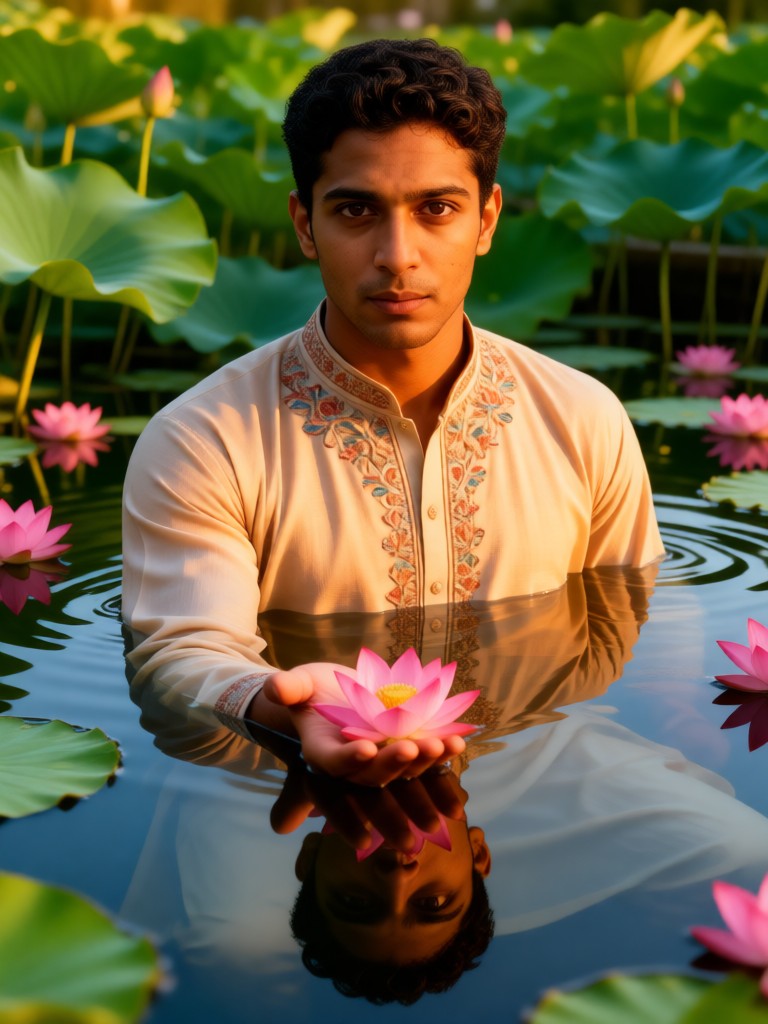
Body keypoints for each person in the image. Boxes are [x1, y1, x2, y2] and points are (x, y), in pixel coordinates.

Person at [122, 38, 664, 785]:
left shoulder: (583, 416)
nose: (397, 254)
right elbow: (182, 651)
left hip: (545, 766)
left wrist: (683, 715)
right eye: (355, 210)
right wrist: (278, 707)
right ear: (305, 224)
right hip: (280, 789)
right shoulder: (205, 438)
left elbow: (629, 615)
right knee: (222, 913)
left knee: (738, 853)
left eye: (437, 209)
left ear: (487, 219)